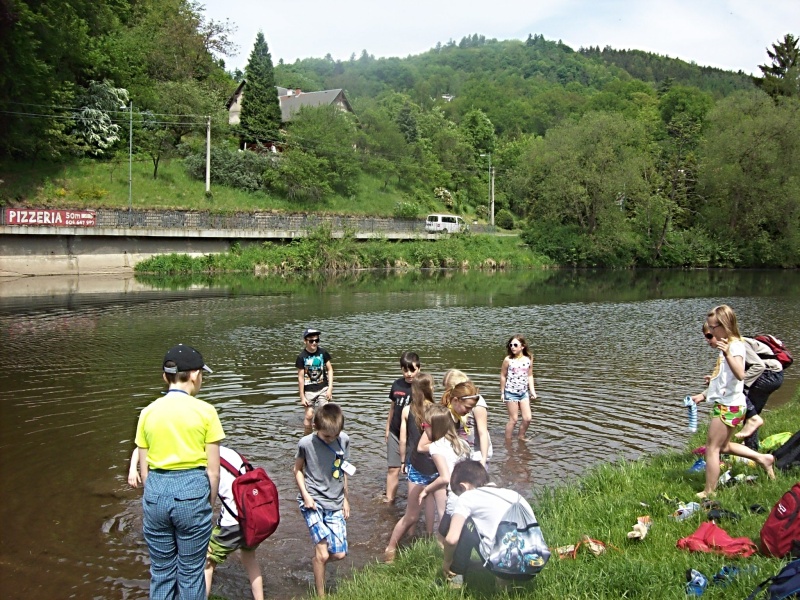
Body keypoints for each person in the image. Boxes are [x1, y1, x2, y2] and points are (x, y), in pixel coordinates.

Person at [135, 344, 224, 600]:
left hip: (156, 491)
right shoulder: (206, 412)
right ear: (194, 375)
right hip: (191, 493)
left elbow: (144, 470)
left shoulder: (147, 412)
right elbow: (214, 472)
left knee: (161, 571)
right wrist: (208, 504)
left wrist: (154, 496)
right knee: (191, 573)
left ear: (166, 377)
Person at [687, 306, 775, 499]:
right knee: (724, 446)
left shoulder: (733, 346)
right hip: (731, 404)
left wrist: (727, 353)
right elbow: (727, 378)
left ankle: (709, 491)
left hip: (729, 406)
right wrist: (706, 392)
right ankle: (763, 458)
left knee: (712, 449)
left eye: (713, 327)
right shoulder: (729, 344)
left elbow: (740, 374)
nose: (710, 332)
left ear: (724, 325)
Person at [441, 460, 538, 589]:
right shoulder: (514, 495)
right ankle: (504, 585)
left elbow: (451, 540)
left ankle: (455, 581)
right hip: (534, 565)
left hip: (503, 567)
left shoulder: (467, 497)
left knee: (465, 526)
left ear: (463, 487)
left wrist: (447, 561)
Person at [294, 403, 351, 597]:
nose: (331, 439)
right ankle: (321, 595)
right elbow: (297, 470)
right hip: (313, 501)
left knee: (340, 554)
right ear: (316, 427)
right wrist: (306, 496)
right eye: (327, 436)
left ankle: (317, 561)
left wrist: (345, 499)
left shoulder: (344, 440)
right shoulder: (306, 443)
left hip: (335, 501)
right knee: (323, 553)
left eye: (335, 435)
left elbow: (343, 470)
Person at [384, 374, 443, 562]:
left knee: (411, 511)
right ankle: (429, 536)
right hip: (434, 463)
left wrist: (402, 462)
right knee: (431, 502)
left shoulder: (407, 410)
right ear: (429, 388)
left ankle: (405, 540)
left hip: (414, 462)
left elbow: (403, 439)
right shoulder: (436, 411)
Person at [204, 446, 265, 600]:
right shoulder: (230, 453)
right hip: (253, 518)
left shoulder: (205, 457)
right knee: (250, 558)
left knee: (207, 563)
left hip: (232, 522)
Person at [383, 351, 420, 503]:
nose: (409, 374)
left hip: (412, 434)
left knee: (415, 469)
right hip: (395, 431)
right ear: (401, 369)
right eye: (405, 370)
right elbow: (392, 408)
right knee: (393, 468)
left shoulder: (421, 386)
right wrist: (387, 429)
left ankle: (415, 501)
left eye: (412, 370)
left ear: (419, 368)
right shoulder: (397, 384)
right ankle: (389, 499)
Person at [736, 335, 784, 449]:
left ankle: (751, 450)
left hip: (768, 375)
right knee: (752, 413)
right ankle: (751, 446)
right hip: (775, 375)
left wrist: (740, 385)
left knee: (751, 416)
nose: (707, 340)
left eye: (710, 336)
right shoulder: (736, 343)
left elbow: (759, 366)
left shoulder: (738, 343)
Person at [441, 371, 492, 466]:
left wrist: (483, 458)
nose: (447, 392)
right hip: (462, 450)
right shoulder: (452, 401)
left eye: (448, 389)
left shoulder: (476, 402)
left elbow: (483, 432)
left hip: (477, 452)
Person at [296, 328, 334, 435]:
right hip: (309, 390)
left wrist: (330, 388)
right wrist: (302, 396)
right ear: (305, 341)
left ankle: (324, 435)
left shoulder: (323, 353)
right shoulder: (301, 357)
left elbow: (330, 369)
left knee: (325, 414)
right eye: (311, 341)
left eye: (316, 340)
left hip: (323, 388)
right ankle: (307, 436)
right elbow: (300, 378)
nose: (314, 343)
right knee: (309, 415)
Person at [500, 335, 536, 440]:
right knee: (513, 420)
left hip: (524, 393)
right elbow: (503, 376)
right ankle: (508, 441)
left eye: (515, 345)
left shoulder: (528, 358)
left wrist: (532, 391)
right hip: (510, 393)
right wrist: (502, 393)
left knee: (527, 418)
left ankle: (521, 437)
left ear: (522, 346)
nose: (512, 347)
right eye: (511, 345)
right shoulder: (508, 360)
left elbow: (530, 375)